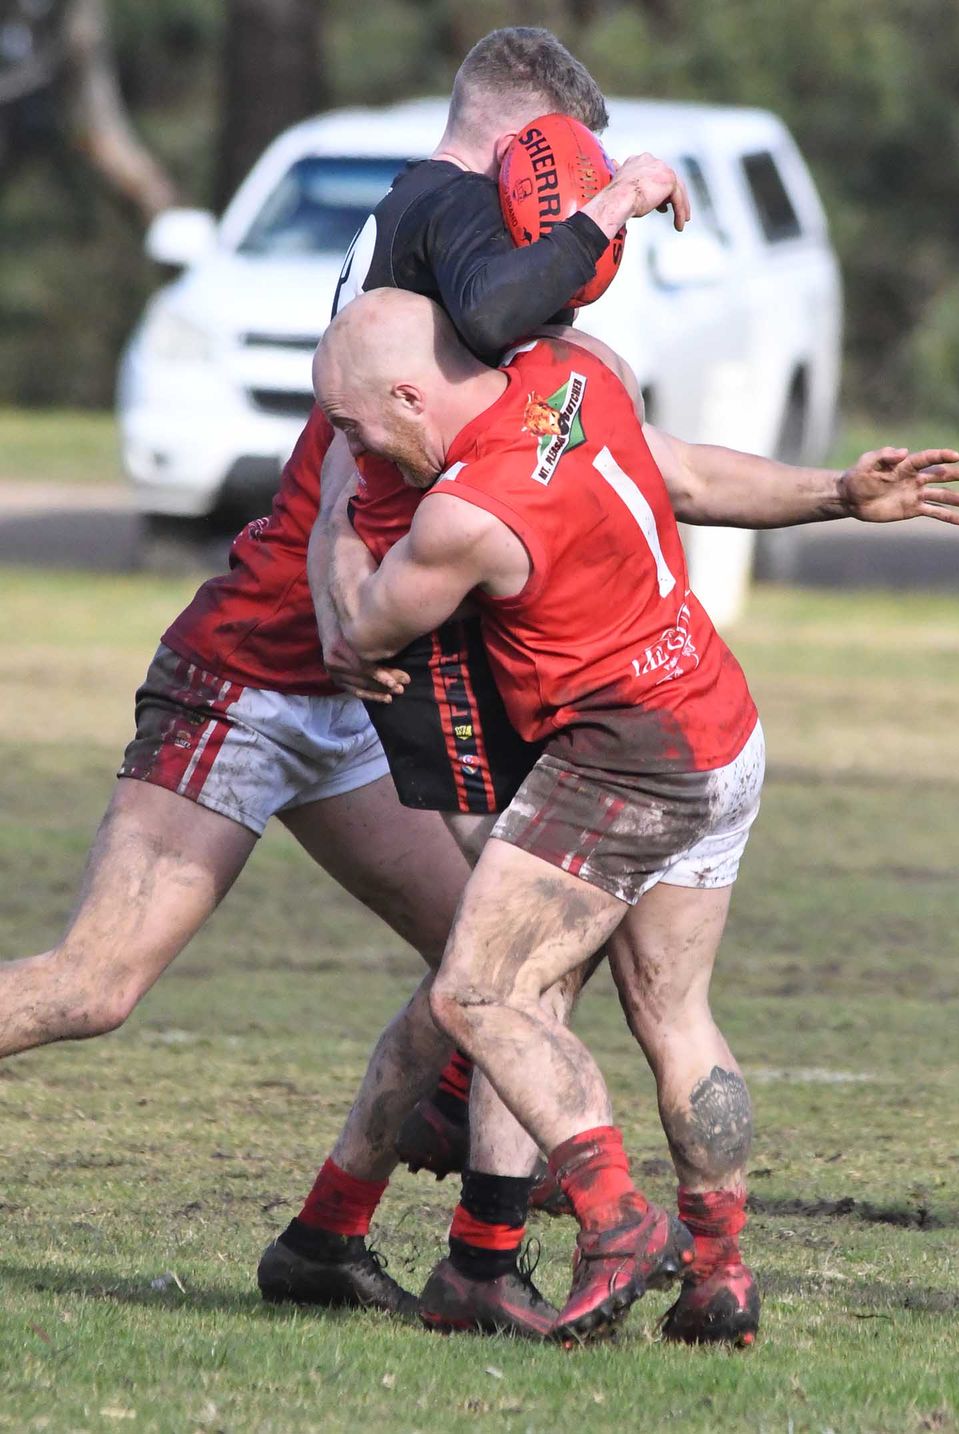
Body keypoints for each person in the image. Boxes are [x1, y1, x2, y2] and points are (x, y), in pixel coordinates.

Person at [0, 27, 693, 1336]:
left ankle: (404, 1247)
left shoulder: (423, 227)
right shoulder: (444, 207)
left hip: (359, 684)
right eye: (560, 162)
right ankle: (464, 1210)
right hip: (254, 668)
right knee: (95, 985)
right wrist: (611, 201)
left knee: (492, 959)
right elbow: (500, 312)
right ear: (525, 145)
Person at [314, 286, 959, 1343]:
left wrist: (330, 522)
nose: (354, 448)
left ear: (408, 395)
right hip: (717, 720)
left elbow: (358, 633)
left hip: (627, 758)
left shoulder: (462, 516)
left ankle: (614, 1214)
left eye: (352, 427)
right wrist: (839, 491)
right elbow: (690, 476)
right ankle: (718, 1275)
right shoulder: (574, 374)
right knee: (672, 1012)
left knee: (482, 992)